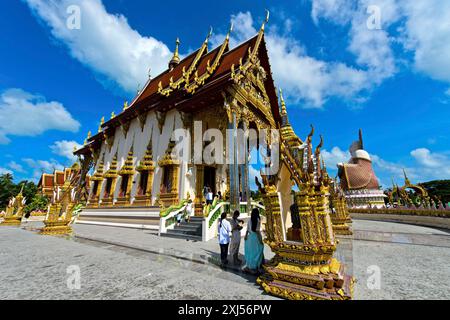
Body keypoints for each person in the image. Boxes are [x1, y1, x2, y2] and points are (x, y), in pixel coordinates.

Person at [243, 208, 264, 274]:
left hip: (250, 238)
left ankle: (250, 266)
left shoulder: (249, 220)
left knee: (251, 252)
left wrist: (246, 236)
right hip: (256, 237)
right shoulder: (257, 220)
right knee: (258, 251)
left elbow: (247, 229)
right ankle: (256, 266)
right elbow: (257, 231)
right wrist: (260, 240)